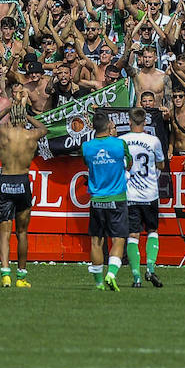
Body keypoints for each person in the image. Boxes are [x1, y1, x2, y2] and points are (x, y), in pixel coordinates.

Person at [0, 92, 44, 288]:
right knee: (22, 232)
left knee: (4, 231)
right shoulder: (31, 135)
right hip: (22, 180)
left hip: (4, 180)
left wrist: (8, 109)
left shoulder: (4, 132)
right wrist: (26, 114)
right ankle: (21, 276)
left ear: (11, 117)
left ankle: (5, 274)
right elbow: (43, 129)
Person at [81, 111, 131, 291]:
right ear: (110, 125)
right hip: (117, 198)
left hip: (97, 200)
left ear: (93, 126)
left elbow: (88, 163)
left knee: (96, 241)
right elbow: (129, 163)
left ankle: (99, 282)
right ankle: (111, 275)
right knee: (118, 239)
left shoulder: (87, 146)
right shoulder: (119, 144)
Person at [120, 107, 165, 289]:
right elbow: (161, 163)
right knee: (152, 230)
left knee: (133, 235)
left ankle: (137, 276)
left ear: (129, 121)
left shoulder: (122, 140)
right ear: (145, 121)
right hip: (150, 193)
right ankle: (151, 268)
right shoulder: (153, 141)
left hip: (130, 194)